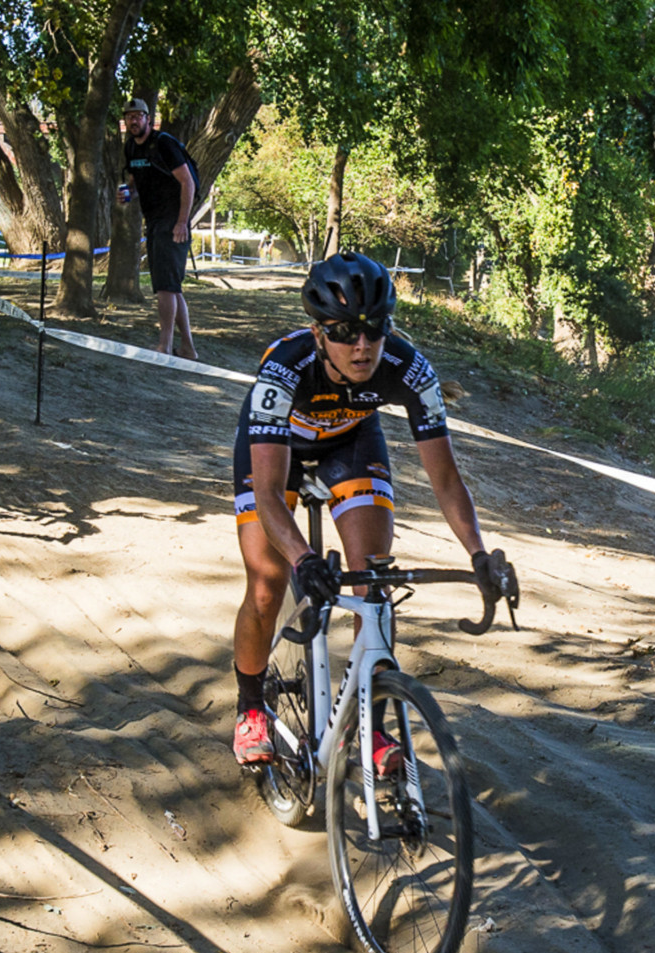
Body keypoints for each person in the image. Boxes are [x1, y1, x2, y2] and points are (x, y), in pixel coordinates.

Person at [230, 252, 507, 768]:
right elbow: (267, 493)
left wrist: (478, 554)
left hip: (350, 443)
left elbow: (446, 480)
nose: (361, 346)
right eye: (343, 332)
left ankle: (371, 727)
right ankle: (250, 706)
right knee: (267, 582)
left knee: (372, 584)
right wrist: (302, 557)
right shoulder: (284, 368)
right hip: (276, 454)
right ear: (318, 333)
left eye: (374, 329)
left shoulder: (409, 369)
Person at [120, 97, 197, 360]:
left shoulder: (163, 143)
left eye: (138, 116)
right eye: (129, 117)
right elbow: (133, 182)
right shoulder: (130, 147)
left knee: (165, 287)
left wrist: (181, 222)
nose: (133, 120)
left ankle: (164, 346)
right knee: (172, 287)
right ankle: (187, 348)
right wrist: (127, 193)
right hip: (153, 221)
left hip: (172, 222)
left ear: (148, 119)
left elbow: (187, 183)